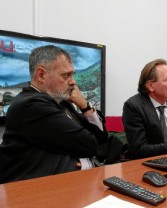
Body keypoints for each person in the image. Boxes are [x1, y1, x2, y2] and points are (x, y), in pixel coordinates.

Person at [0, 45, 108, 183]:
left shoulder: (62, 101)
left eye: (72, 74)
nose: (73, 81)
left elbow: (101, 138)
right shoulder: (31, 105)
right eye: (66, 75)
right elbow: (89, 145)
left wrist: (85, 106)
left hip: (75, 180)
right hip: (37, 191)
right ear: (41, 75)